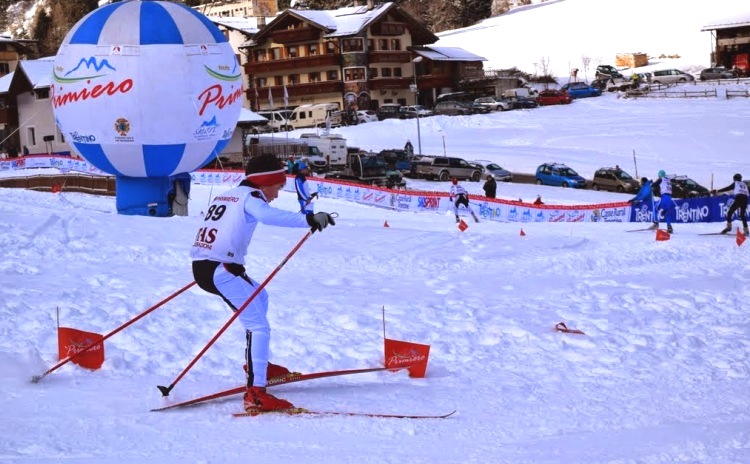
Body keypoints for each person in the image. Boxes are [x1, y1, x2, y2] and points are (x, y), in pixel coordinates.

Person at [190, 154, 335, 413]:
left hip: (208, 266)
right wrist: (309, 219)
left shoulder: (229, 194)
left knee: (260, 297)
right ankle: (256, 393)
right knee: (259, 326)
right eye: (277, 187)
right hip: (221, 270)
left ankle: (260, 366)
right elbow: (266, 215)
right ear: (265, 181)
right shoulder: (252, 197)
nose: (277, 194)